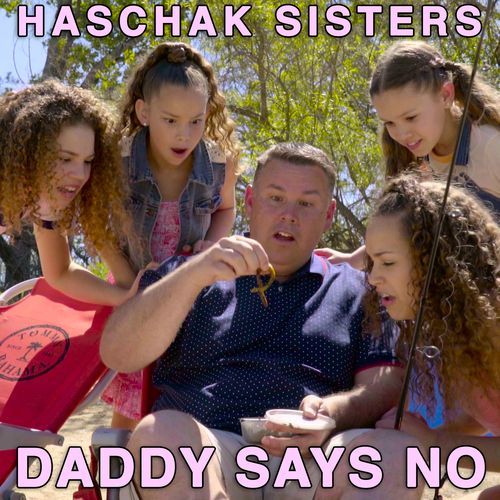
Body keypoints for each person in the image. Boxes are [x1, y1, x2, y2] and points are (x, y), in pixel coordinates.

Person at [101, 142, 424, 499]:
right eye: (275, 198)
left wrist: (334, 412)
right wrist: (193, 276)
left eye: (306, 204)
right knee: (159, 436)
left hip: (318, 458)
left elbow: (385, 383)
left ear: (329, 215)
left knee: (398, 456)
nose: (289, 215)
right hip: (206, 449)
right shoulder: (190, 273)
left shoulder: (363, 289)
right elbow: (117, 353)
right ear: (251, 201)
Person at [101, 42, 242, 430]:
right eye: (171, 120)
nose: (184, 134)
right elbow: (97, 226)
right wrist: (129, 284)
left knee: (182, 388)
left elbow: (226, 209)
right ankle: (110, 466)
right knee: (132, 394)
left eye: (196, 121)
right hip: (131, 285)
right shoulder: (118, 159)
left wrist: (211, 247)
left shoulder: (219, 162)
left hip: (189, 290)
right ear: (143, 112)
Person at [364, 175, 500, 496]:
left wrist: (435, 443)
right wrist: (423, 436)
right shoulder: (460, 331)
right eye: (371, 262)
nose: (373, 278)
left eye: (387, 262)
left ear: (438, 262)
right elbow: (487, 410)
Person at [319, 40, 500, 269]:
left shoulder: (491, 146)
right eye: (390, 123)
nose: (402, 134)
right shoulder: (417, 162)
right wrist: (355, 260)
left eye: (411, 117)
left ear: (446, 95)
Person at [0, 79, 136, 304]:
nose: (80, 174)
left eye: (88, 161)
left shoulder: (46, 201)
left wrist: (125, 298)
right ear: (30, 152)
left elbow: (61, 272)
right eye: (65, 158)